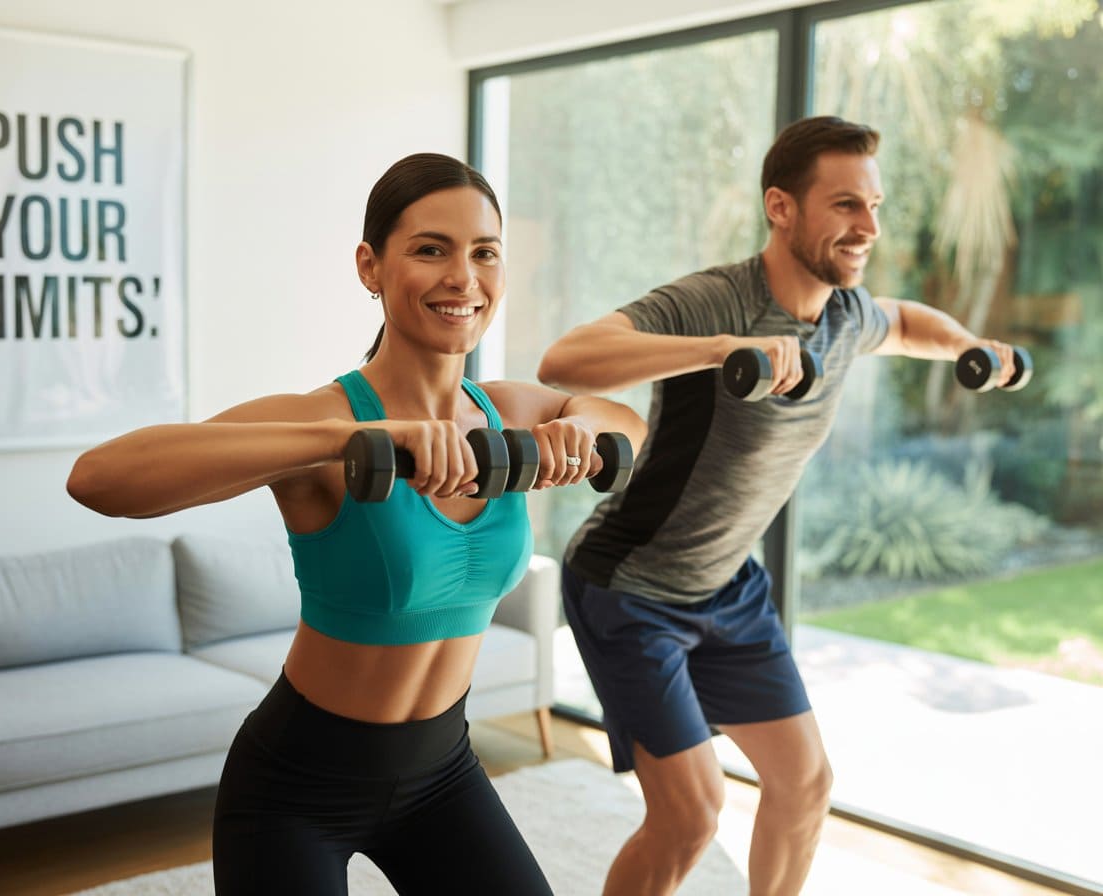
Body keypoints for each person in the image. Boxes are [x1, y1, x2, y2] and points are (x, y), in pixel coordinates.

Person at [66, 152, 646, 896]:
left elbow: (625, 420)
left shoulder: (510, 412)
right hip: (296, 787)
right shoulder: (327, 422)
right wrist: (348, 441)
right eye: (430, 249)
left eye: (484, 253)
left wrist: (582, 429)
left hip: (444, 771)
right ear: (370, 267)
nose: (462, 278)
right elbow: (99, 479)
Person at [536, 116, 1022, 896]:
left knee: (804, 786)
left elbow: (902, 322)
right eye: (844, 205)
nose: (867, 227)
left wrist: (971, 343)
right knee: (692, 815)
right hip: (630, 586)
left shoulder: (845, 314)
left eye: (874, 205)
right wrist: (720, 349)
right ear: (781, 207)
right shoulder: (716, 298)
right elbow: (567, 358)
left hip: (729, 585)